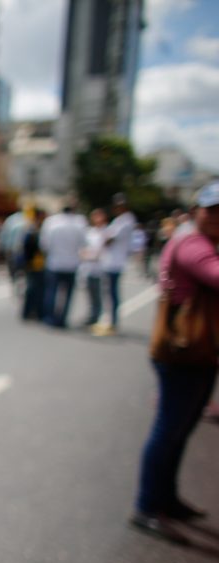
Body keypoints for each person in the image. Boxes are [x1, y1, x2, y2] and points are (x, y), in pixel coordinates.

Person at [130, 181, 219, 544]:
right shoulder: (194, 244)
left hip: (199, 351)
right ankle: (147, 505)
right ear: (197, 211)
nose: (216, 217)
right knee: (169, 429)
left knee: (179, 429)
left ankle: (166, 498)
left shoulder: (199, 241)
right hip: (184, 350)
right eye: (211, 210)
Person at [93, 193, 136, 336]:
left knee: (111, 294)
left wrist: (105, 237)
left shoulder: (126, 220)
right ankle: (111, 320)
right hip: (112, 261)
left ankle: (112, 322)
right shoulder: (122, 220)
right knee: (110, 293)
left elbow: (109, 239)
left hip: (114, 263)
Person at [39, 204, 87, 328]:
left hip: (54, 263)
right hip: (72, 264)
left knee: (51, 292)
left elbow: (44, 244)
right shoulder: (79, 223)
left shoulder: (51, 222)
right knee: (67, 295)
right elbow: (83, 243)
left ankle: (50, 317)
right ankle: (62, 319)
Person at [79, 208, 108, 327]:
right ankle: (92, 315)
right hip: (88, 268)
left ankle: (97, 316)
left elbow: (100, 251)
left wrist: (89, 255)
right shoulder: (90, 232)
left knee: (98, 294)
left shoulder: (105, 231)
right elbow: (82, 249)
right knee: (90, 294)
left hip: (99, 268)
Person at [21, 209, 46, 321]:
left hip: (40, 264)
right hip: (34, 264)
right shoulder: (32, 230)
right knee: (32, 289)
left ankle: (37, 311)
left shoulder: (42, 229)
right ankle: (29, 312)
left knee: (39, 290)